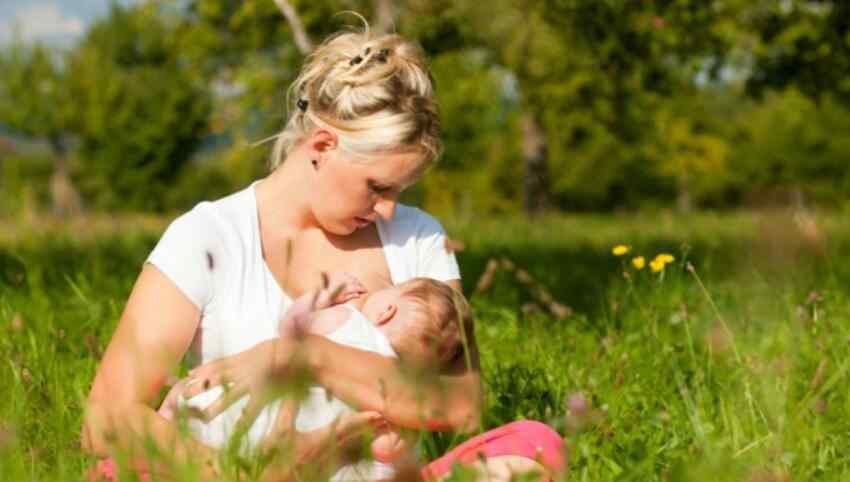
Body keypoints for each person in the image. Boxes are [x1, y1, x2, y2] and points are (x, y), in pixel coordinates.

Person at [82, 21, 565, 482]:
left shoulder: (417, 238)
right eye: (377, 187)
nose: (389, 210)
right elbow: (106, 419)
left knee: (534, 445)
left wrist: (300, 357)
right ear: (323, 144)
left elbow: (459, 404)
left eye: (399, 191)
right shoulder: (208, 236)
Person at [158, 273, 470, 480]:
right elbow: (386, 452)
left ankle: (162, 422)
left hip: (227, 421)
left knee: (185, 395)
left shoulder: (348, 320)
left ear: (387, 310)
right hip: (283, 459)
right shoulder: (401, 395)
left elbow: (290, 330)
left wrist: (322, 297)